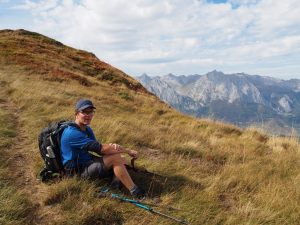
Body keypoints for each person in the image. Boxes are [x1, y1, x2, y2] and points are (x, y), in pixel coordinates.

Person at [60, 99, 146, 199]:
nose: (88, 115)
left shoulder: (86, 129)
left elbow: (99, 149)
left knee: (120, 158)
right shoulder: (72, 133)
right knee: (115, 158)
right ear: (77, 113)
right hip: (77, 173)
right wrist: (128, 151)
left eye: (91, 112)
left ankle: (115, 185)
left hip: (86, 162)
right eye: (85, 112)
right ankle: (136, 192)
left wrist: (112, 148)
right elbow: (101, 149)